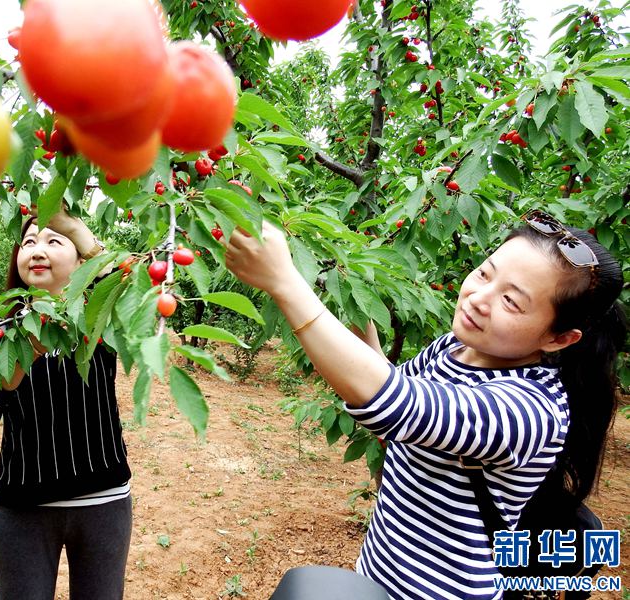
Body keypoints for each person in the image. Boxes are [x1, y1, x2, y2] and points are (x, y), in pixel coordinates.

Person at [223, 210, 626, 600]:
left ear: (558, 338)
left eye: (511, 301)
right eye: (485, 274)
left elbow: (396, 404)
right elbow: (395, 402)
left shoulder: (530, 410)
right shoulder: (454, 349)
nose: (479, 298)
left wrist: (286, 283)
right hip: (379, 574)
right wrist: (356, 308)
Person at [0, 208, 132, 600]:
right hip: (23, 505)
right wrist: (30, 341)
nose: (37, 250)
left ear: (81, 261)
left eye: (54, 240)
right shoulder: (3, 328)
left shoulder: (99, 314)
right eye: (29, 242)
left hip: (103, 501)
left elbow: (130, 284)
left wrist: (78, 230)